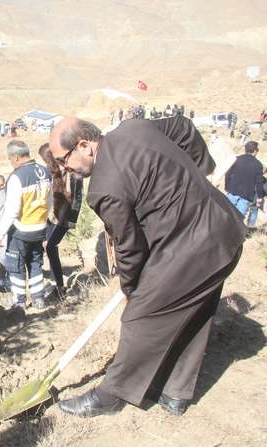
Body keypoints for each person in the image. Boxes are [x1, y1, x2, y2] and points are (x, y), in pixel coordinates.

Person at [49, 115, 245, 418]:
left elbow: (130, 248)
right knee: (194, 309)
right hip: (225, 229)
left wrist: (131, 290)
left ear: (84, 146)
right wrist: (199, 170)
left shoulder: (103, 188)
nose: (64, 169)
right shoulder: (134, 127)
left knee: (139, 317)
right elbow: (183, 126)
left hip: (193, 245)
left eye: (64, 160)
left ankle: (111, 394)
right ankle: (175, 394)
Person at [0, 140, 52, 309]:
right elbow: (50, 202)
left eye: (10, 159)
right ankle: (38, 299)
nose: (11, 163)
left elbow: (12, 210)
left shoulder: (17, 177)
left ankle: (19, 301)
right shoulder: (44, 172)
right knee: (35, 263)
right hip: (40, 228)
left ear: (17, 157)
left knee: (16, 265)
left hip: (21, 229)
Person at [38, 143, 83, 297]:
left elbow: (69, 200)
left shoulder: (69, 172)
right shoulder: (56, 171)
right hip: (55, 216)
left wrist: (59, 220)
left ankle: (59, 286)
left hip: (62, 216)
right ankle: (55, 283)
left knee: (49, 246)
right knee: (49, 248)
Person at [224, 140, 264, 229]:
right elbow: (259, 183)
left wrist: (227, 186)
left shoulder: (237, 159)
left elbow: (228, 174)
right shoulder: (258, 165)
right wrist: (260, 198)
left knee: (226, 214)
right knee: (238, 219)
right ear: (254, 151)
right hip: (246, 196)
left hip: (232, 191)